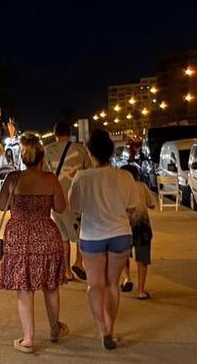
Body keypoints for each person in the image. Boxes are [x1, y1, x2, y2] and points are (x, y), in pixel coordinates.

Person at [68, 130, 145, 350]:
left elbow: (75, 207)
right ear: (111, 152)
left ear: (90, 153)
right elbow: (132, 207)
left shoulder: (82, 177)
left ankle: (102, 330)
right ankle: (111, 329)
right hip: (120, 234)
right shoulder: (125, 177)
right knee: (113, 284)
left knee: (95, 285)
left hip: (92, 236)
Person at [0, 133, 68, 353]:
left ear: (22, 156)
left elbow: (1, 206)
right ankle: (54, 329)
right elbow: (60, 208)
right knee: (50, 286)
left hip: (18, 240)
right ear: (41, 156)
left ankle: (28, 339)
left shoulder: (13, 178)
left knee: (24, 289)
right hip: (47, 237)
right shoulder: (50, 179)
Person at [44, 121, 93, 281]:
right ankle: (79, 263)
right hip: (78, 197)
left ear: (54, 133)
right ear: (70, 132)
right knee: (81, 233)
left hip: (56, 199)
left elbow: (43, 175)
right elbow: (89, 172)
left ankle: (67, 271)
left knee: (63, 236)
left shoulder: (47, 151)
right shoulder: (81, 149)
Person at [119, 164, 158, 299]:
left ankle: (127, 279)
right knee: (142, 259)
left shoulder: (119, 188)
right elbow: (152, 204)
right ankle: (141, 291)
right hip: (142, 227)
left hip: (123, 227)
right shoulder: (142, 186)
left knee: (123, 255)